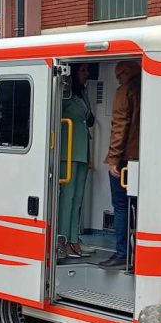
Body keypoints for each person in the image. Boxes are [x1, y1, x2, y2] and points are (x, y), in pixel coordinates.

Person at [101, 61, 141, 270]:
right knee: (140, 208)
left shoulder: (125, 91)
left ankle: (122, 254)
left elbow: (120, 126)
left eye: (119, 74)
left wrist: (114, 159)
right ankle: (140, 257)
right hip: (143, 158)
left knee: (121, 207)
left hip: (125, 160)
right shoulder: (149, 88)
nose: (119, 78)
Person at [58, 64, 94, 260]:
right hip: (68, 152)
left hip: (81, 152)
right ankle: (64, 239)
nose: (86, 74)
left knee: (78, 198)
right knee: (67, 198)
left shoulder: (81, 96)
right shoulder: (65, 95)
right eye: (83, 71)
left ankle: (74, 237)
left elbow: (89, 119)